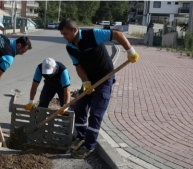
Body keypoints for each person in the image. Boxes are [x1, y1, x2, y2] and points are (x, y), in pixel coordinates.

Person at [57, 18, 139, 159]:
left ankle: (90, 146)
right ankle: (81, 137)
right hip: (90, 79)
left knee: (96, 113)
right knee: (80, 107)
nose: (64, 37)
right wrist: (85, 82)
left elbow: (118, 34)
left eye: (66, 34)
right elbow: (78, 66)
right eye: (63, 34)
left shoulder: (92, 35)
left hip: (105, 76)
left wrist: (130, 51)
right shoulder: (70, 47)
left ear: (74, 30)